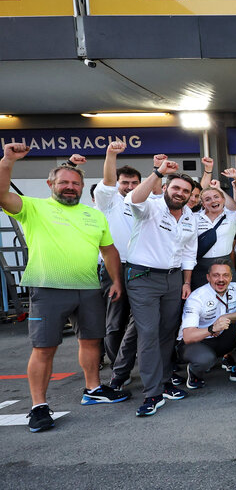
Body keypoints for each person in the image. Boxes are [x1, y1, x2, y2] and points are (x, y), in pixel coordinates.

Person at [0, 143, 128, 432]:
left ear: (83, 187)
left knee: (92, 341)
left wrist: (116, 280)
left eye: (75, 183)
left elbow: (108, 251)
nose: (70, 187)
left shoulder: (93, 215)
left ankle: (93, 390)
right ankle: (38, 406)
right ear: (51, 184)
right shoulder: (34, 207)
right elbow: (1, 193)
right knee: (44, 348)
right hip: (47, 288)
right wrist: (7, 161)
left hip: (88, 289)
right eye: (64, 183)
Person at [110, 157, 197, 417]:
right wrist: (157, 172)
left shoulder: (190, 216)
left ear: (191, 195)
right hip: (143, 278)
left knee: (167, 332)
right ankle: (152, 393)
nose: (180, 194)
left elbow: (188, 252)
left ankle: (165, 381)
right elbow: (133, 199)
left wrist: (186, 282)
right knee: (147, 333)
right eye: (176, 188)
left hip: (173, 279)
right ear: (167, 188)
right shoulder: (150, 207)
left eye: (185, 191)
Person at [93, 140, 142, 365]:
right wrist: (111, 154)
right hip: (115, 267)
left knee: (140, 319)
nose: (130, 187)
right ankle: (117, 367)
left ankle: (133, 362)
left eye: (135, 183)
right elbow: (108, 181)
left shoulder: (144, 203)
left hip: (141, 267)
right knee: (115, 320)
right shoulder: (109, 202)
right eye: (125, 182)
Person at [179, 259, 236, 388]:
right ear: (208, 277)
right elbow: (187, 337)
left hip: (223, 337)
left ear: (231, 277)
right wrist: (212, 328)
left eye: (225, 275)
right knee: (205, 359)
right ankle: (194, 372)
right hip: (198, 342)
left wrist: (227, 317)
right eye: (216, 275)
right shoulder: (197, 297)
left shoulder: (235, 287)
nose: (221, 279)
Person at [192, 174, 236, 290]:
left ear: (223, 199)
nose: (213, 201)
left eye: (216, 197)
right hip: (199, 267)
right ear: (203, 204)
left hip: (225, 266)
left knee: (230, 300)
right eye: (207, 199)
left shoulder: (233, 217)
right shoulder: (193, 218)